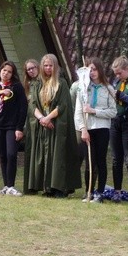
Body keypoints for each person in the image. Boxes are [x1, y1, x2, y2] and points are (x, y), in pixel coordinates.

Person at [25, 54, 81, 198]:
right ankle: (47, 187)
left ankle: (59, 188)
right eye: (45, 65)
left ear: (55, 66)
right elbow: (33, 104)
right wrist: (42, 118)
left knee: (57, 156)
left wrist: (49, 117)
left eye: (50, 65)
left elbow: (63, 105)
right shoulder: (37, 84)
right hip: (43, 125)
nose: (48, 68)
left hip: (57, 125)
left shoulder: (61, 83)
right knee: (45, 156)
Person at [73, 57, 116, 203]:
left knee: (100, 161)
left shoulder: (108, 88)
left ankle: (100, 192)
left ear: (100, 70)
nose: (92, 72)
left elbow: (113, 112)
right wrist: (83, 129)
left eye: (95, 69)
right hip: (88, 128)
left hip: (102, 128)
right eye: (89, 70)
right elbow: (78, 112)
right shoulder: (83, 89)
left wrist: (94, 111)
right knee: (89, 161)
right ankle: (88, 191)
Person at [0, 61, 27, 196]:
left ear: (12, 74)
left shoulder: (16, 87)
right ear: (0, 71)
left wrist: (19, 128)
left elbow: (23, 108)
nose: (6, 73)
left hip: (12, 126)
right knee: (3, 155)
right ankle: (6, 186)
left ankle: (11, 185)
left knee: (11, 154)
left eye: (9, 71)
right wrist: (0, 93)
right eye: (4, 70)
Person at [109, 56, 128, 201]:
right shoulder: (116, 82)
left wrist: (121, 96)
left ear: (127, 69)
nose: (117, 76)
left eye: (119, 73)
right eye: (115, 73)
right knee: (116, 158)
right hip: (115, 122)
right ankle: (117, 191)